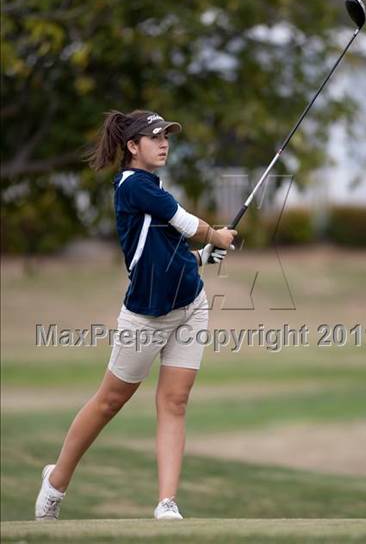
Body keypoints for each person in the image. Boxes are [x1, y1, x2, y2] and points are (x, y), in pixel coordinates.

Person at [35, 109, 237, 521]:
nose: (164, 143)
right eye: (155, 136)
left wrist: (201, 257)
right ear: (132, 146)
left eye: (167, 136)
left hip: (190, 306)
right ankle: (56, 481)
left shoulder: (153, 187)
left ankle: (167, 503)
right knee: (110, 401)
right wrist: (217, 237)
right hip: (144, 317)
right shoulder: (134, 186)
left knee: (175, 401)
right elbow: (185, 223)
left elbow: (165, 249)